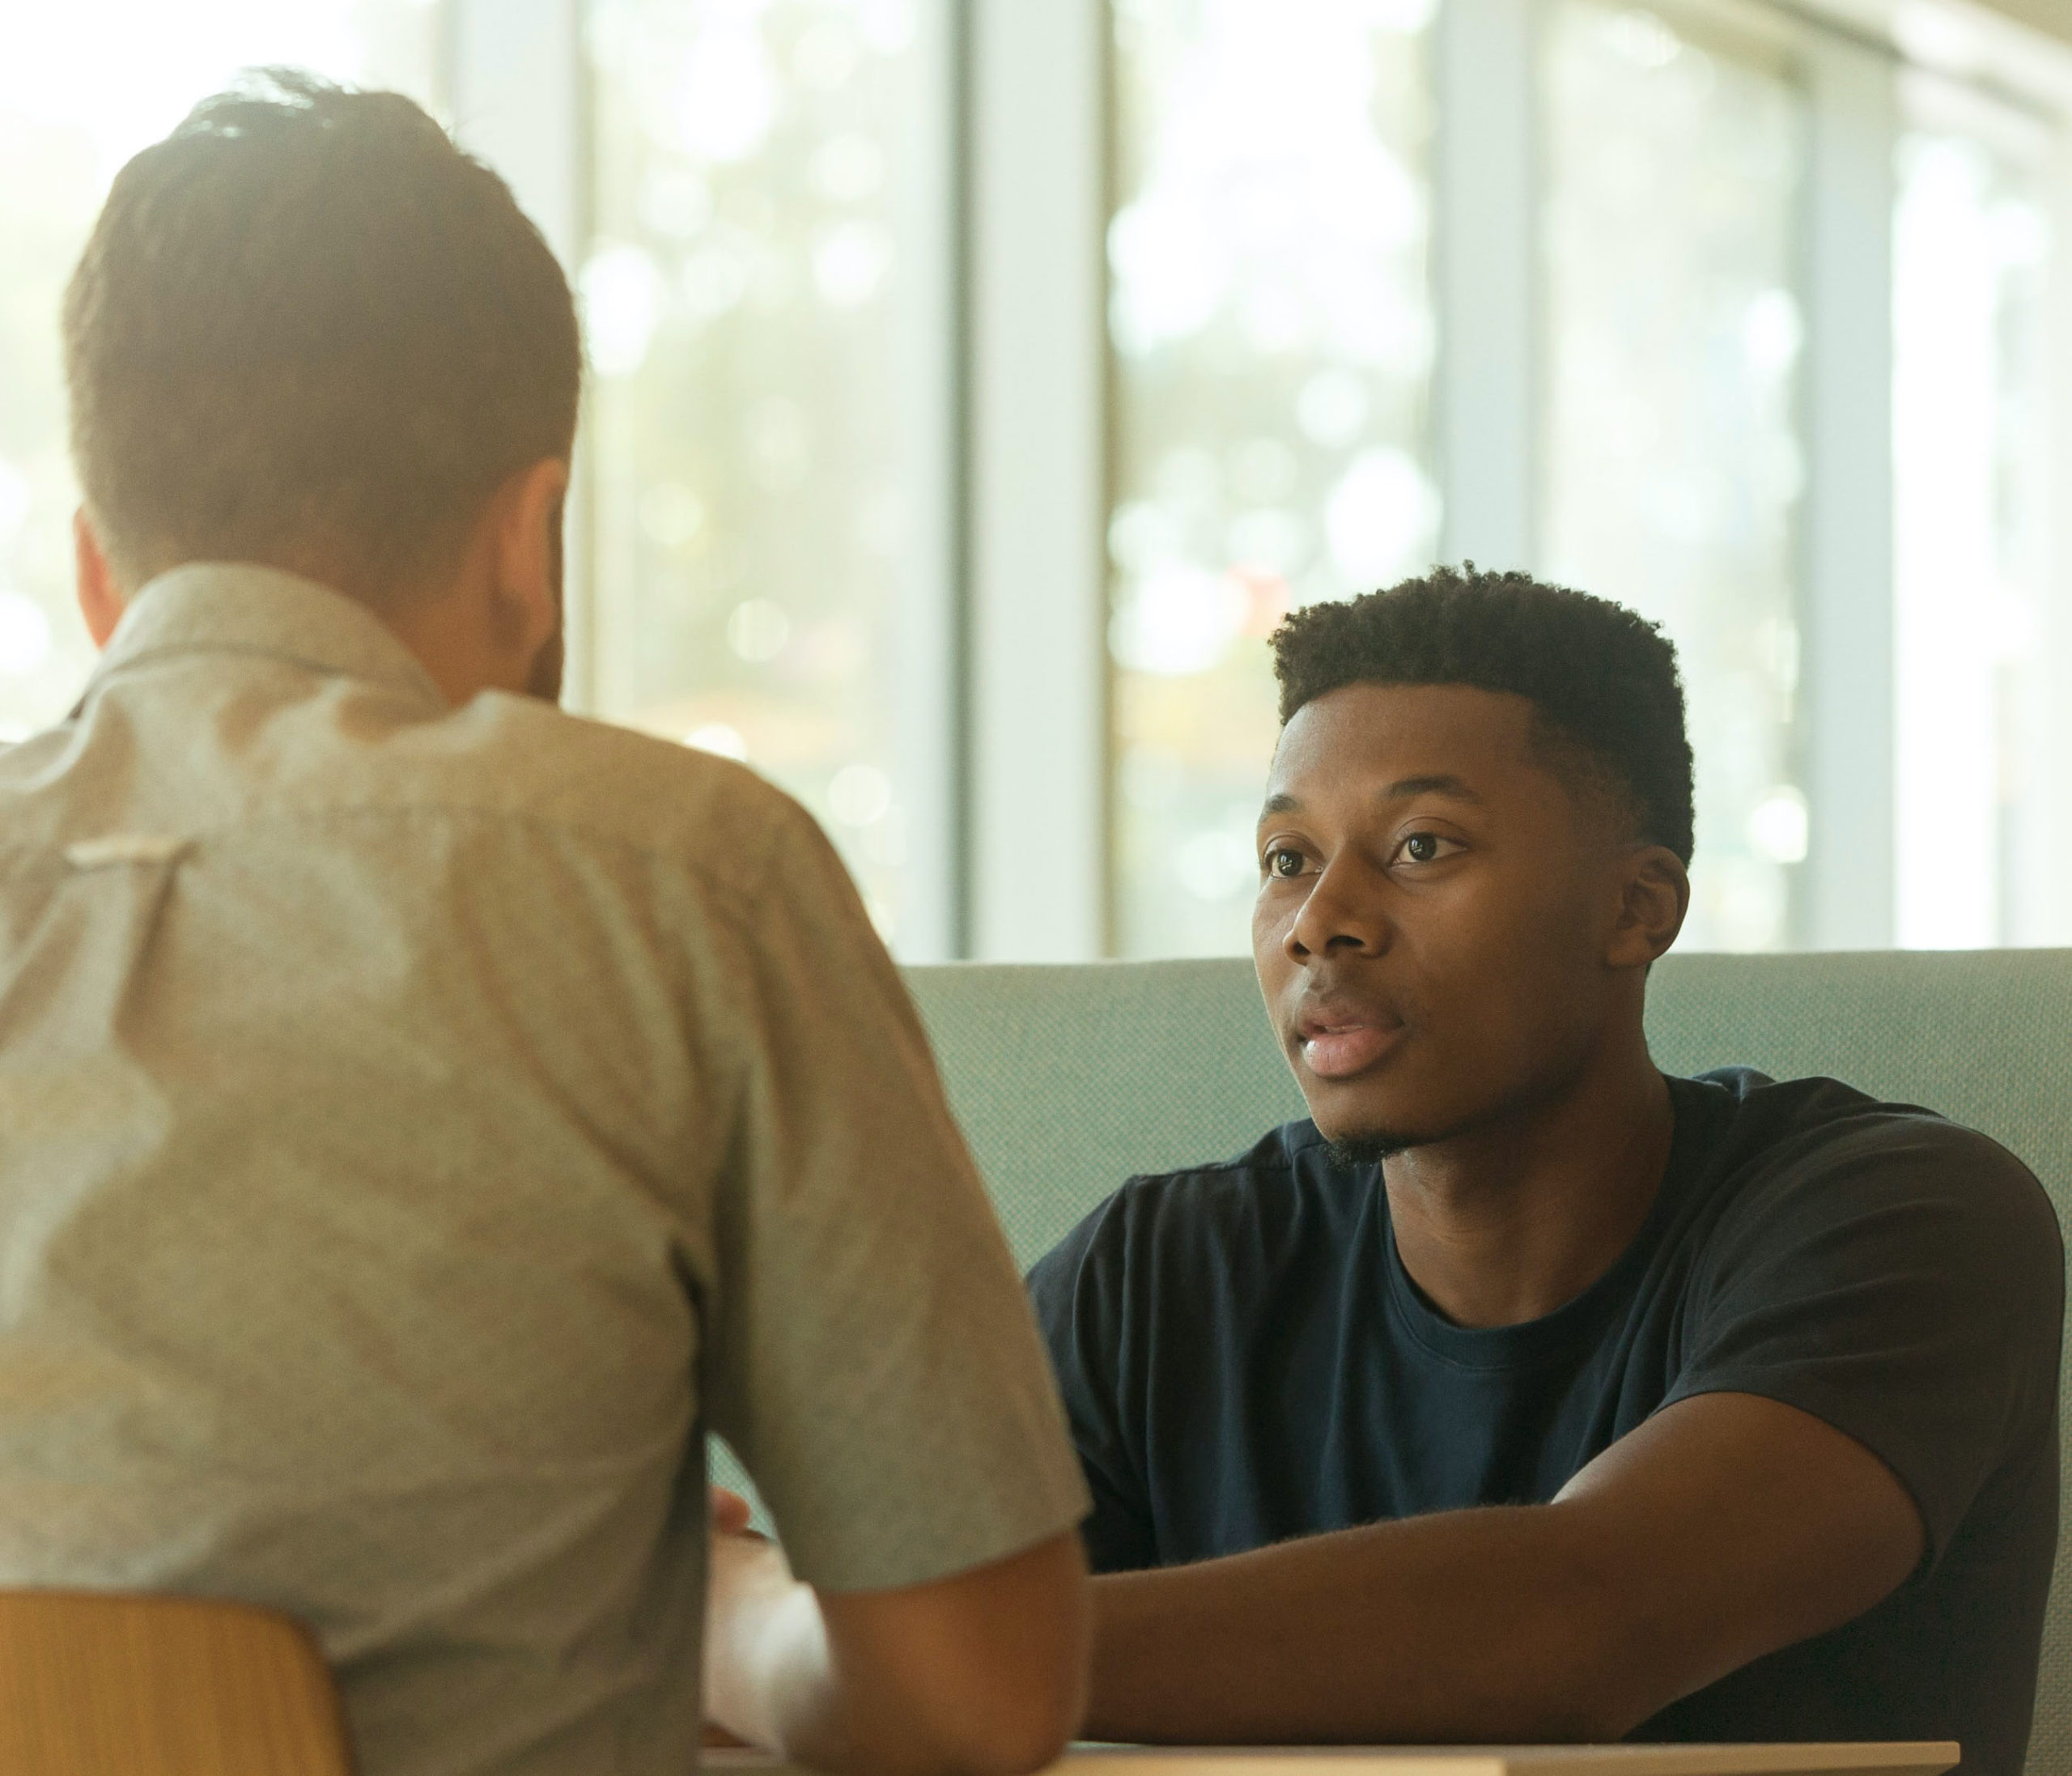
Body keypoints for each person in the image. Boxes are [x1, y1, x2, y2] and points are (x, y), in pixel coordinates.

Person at [2, 72, 1090, 1776]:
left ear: (95, 576)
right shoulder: (685, 875)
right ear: (531, 539)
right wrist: (719, 1614)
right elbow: (974, 1694)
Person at [1029, 567, 2062, 1774]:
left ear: (1636, 909)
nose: (1321, 918)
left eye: (1422, 844)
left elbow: (1576, 1624)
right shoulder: (1154, 1277)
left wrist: (918, 1649)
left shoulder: (1910, 1221)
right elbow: (863, 1612)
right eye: (1285, 857)